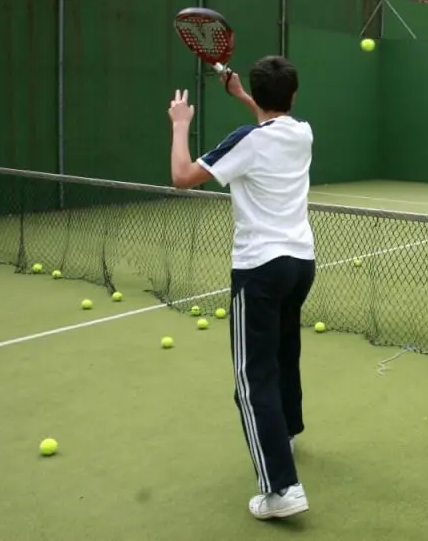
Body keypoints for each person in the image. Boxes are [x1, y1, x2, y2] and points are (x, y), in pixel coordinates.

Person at [166, 56, 316, 521]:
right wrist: (244, 97)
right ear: (293, 95)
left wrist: (180, 124)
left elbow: (183, 177)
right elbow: (271, 121)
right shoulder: (303, 133)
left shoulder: (245, 141)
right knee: (284, 354)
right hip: (301, 265)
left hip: (260, 270)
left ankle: (282, 489)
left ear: (261, 93)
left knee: (253, 382)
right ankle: (286, 432)